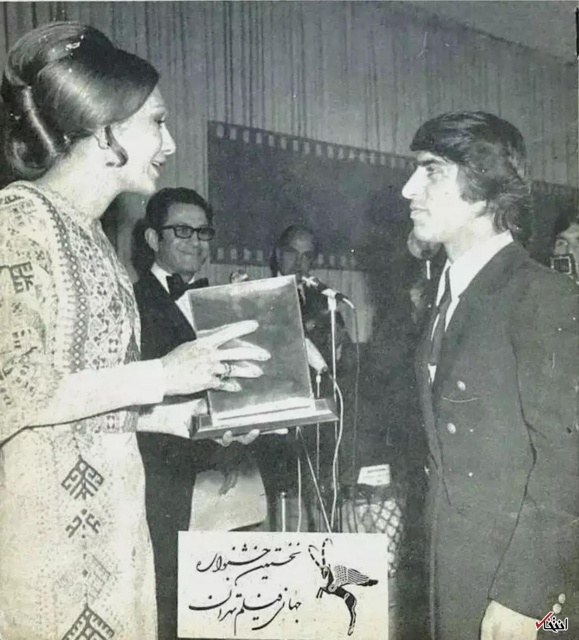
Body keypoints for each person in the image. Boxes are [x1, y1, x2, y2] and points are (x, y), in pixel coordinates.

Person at [0, 22, 268, 640]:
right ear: (105, 130)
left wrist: (185, 416)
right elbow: (14, 389)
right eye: (157, 123)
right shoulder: (17, 222)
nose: (170, 143)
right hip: (47, 548)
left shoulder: (95, 238)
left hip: (118, 537)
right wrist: (163, 375)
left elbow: (87, 404)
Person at [402, 111, 578, 640]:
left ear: (483, 186)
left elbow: (569, 461)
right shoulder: (447, 297)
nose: (409, 189)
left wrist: (526, 595)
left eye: (431, 170)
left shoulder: (541, 296)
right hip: (454, 566)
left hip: (516, 585)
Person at [134, 187, 265, 639]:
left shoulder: (223, 302)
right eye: (182, 231)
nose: (195, 242)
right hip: (163, 480)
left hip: (228, 471)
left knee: (228, 608)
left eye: (203, 232)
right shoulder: (130, 300)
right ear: (153, 239)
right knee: (169, 606)